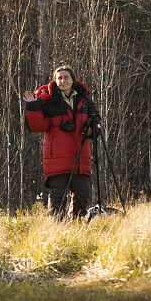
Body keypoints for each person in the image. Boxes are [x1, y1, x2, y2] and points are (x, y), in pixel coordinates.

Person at [24, 65, 98, 219]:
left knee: (81, 198)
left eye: (66, 77)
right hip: (57, 158)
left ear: (72, 80)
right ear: (55, 81)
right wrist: (33, 106)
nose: (63, 80)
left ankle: (76, 232)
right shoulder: (49, 102)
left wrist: (91, 130)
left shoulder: (85, 100)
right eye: (59, 78)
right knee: (57, 199)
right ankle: (58, 234)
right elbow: (38, 127)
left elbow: (97, 125)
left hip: (81, 158)